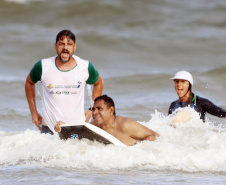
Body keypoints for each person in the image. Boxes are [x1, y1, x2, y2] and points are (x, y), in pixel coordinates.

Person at [25, 29, 104, 135]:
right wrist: (34, 113)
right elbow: (29, 83)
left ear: (74, 47)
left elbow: (98, 83)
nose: (65, 48)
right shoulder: (43, 66)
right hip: (48, 128)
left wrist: (91, 110)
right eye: (61, 44)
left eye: (69, 44)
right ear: (55, 46)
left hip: (76, 127)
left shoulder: (84, 67)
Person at [55, 95, 159, 146]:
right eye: (93, 109)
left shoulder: (126, 125)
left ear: (111, 110)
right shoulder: (94, 126)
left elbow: (154, 135)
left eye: (99, 109)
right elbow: (76, 137)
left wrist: (141, 151)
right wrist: (63, 127)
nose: (94, 112)